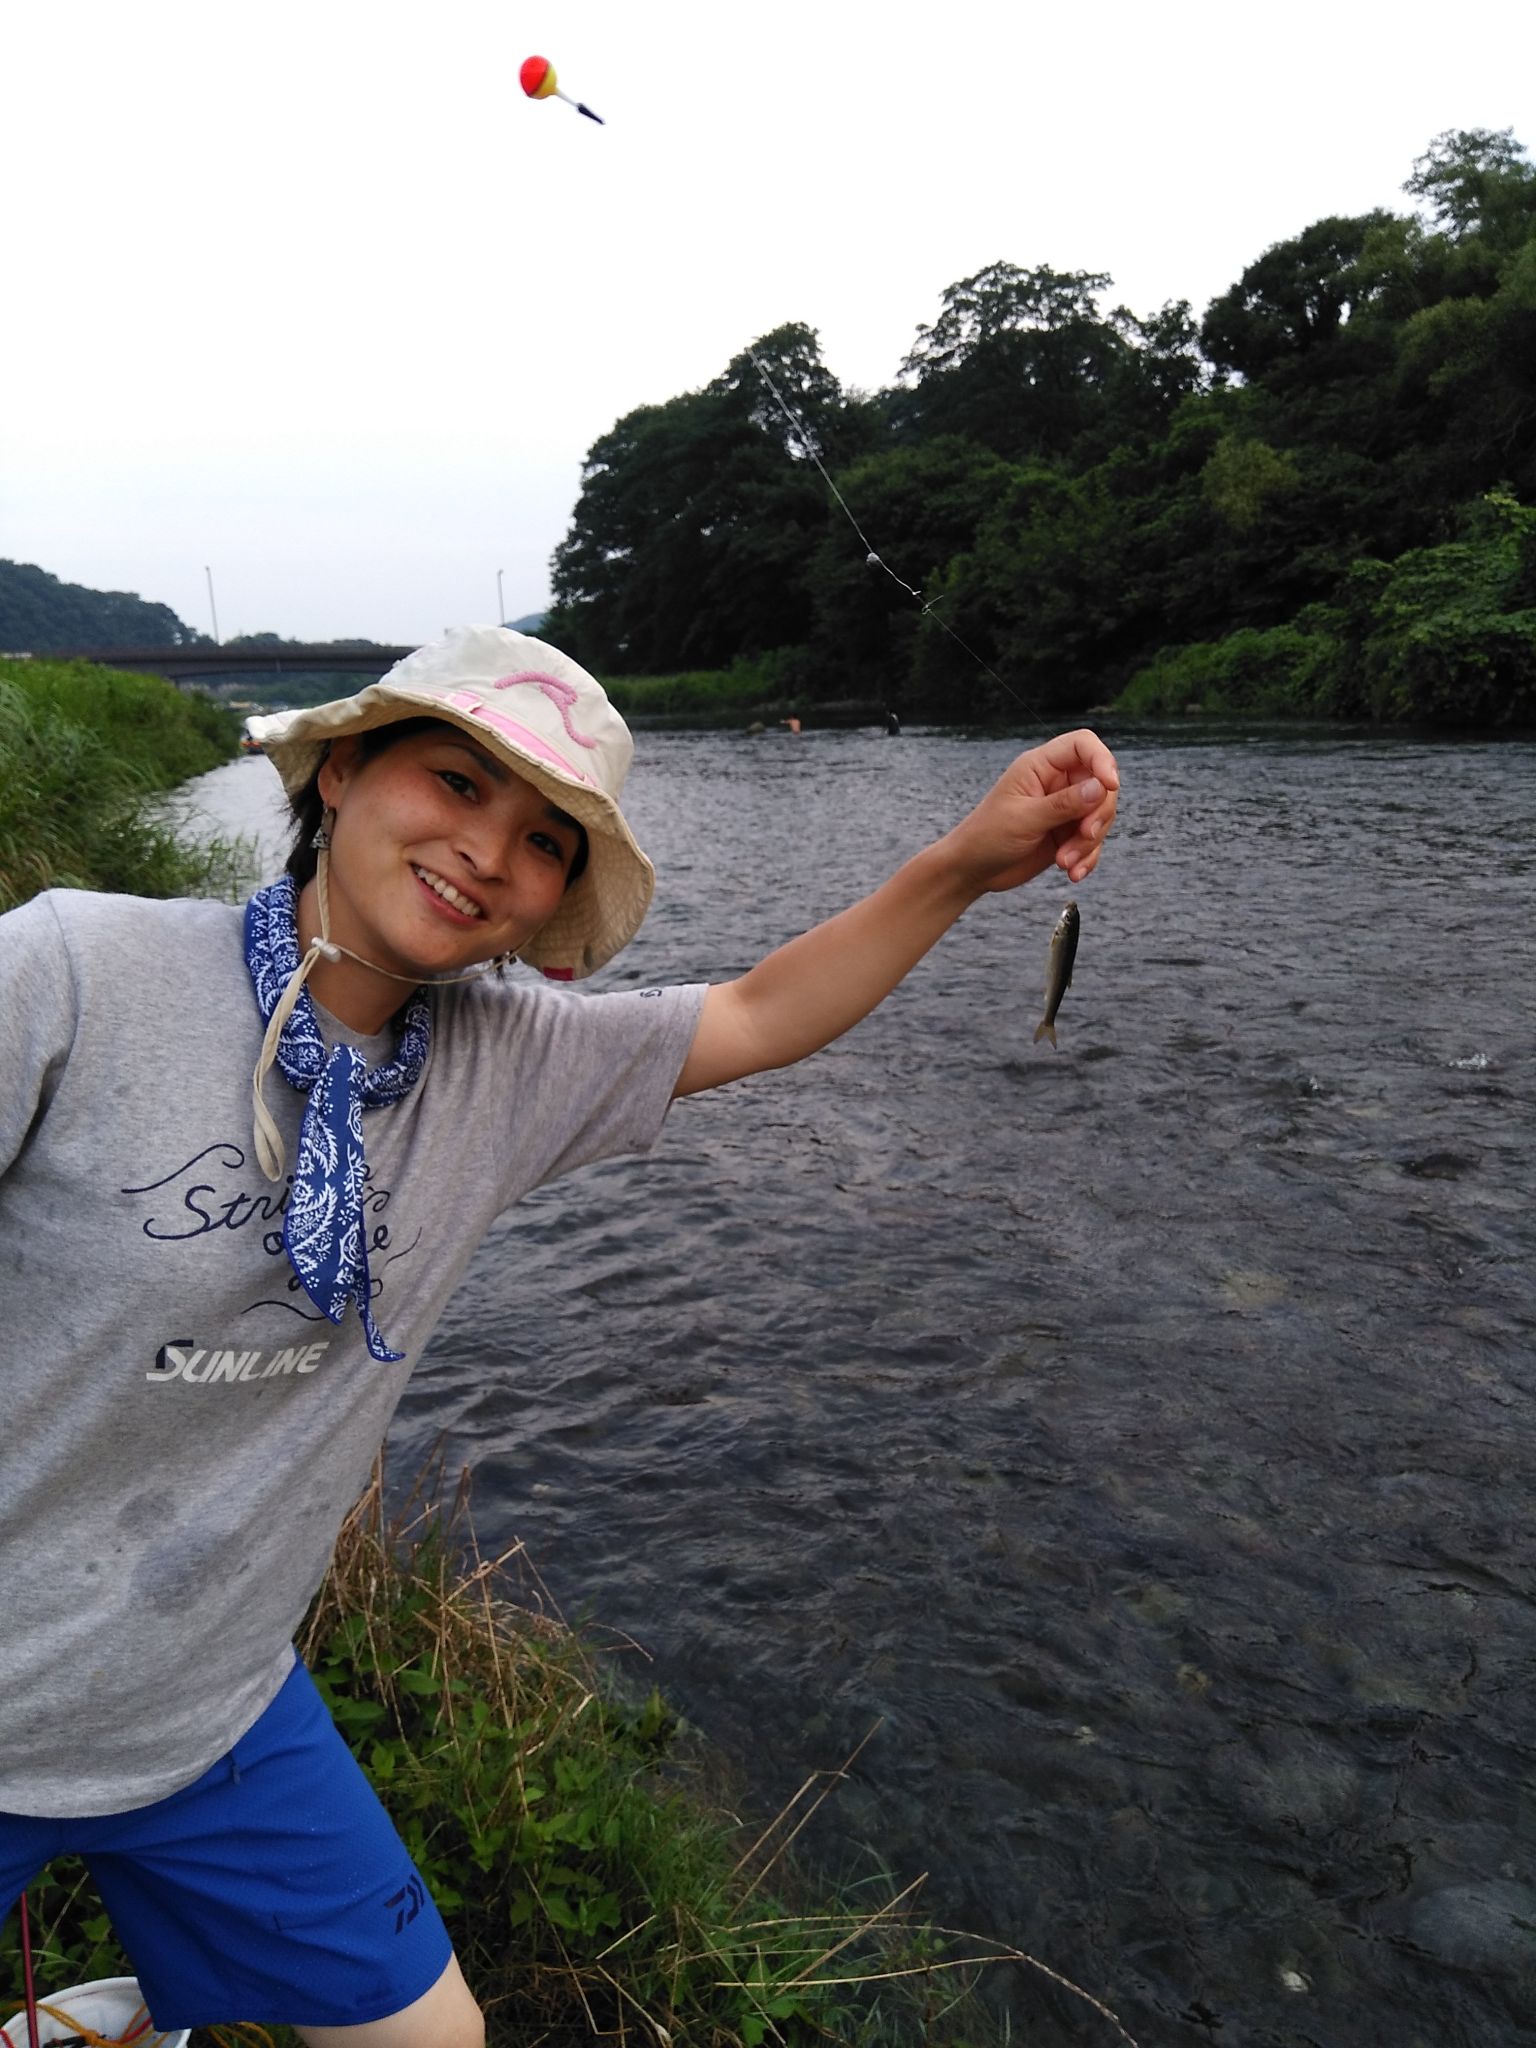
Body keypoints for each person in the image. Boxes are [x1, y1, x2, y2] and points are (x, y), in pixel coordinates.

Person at [0, 625, 1119, 2045]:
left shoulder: (511, 1061)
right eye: (455, 783)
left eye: (543, 841)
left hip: (214, 1714)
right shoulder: (73, 974)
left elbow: (762, 1011)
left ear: (549, 906)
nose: (485, 850)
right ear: (341, 771)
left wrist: (966, 861)